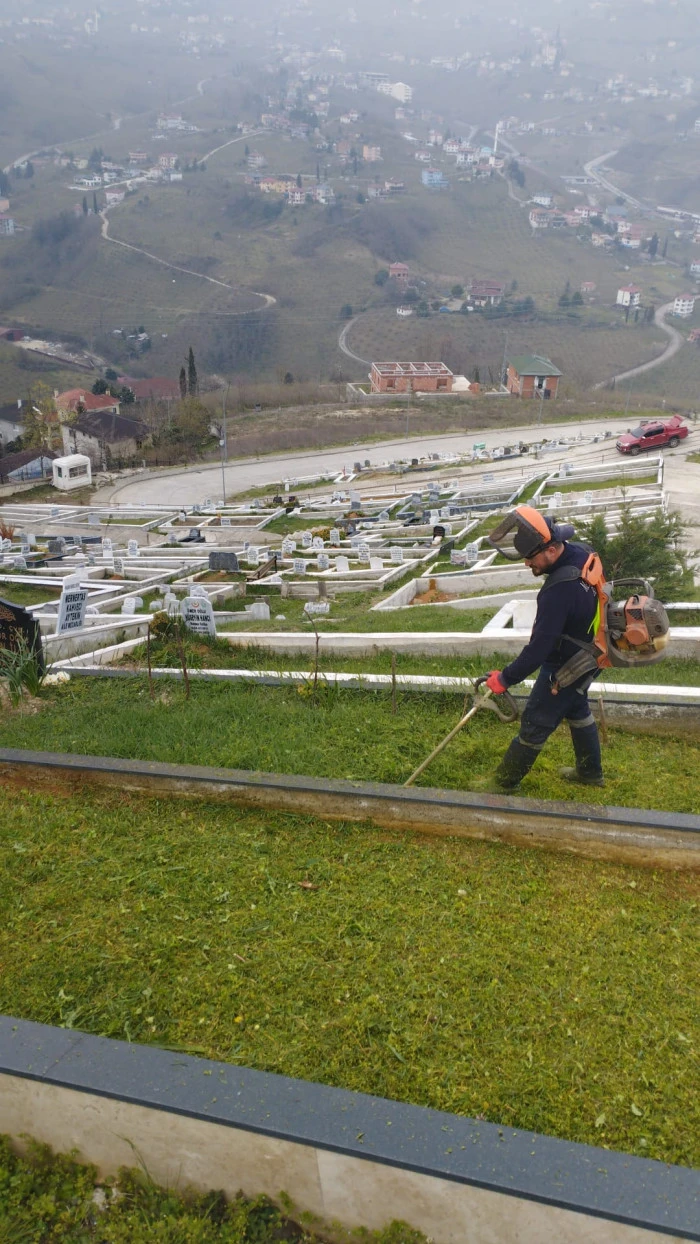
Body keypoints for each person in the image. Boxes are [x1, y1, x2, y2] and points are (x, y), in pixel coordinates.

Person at [482, 505, 604, 792]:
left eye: (531, 557)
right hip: (592, 652)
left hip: (566, 665)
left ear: (551, 550)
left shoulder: (558, 591)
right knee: (577, 709)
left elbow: (538, 650)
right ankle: (590, 773)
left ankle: (502, 784)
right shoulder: (581, 552)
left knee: (535, 722)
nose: (527, 564)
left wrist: (505, 678)